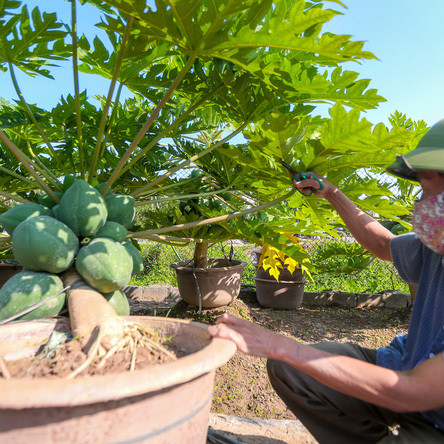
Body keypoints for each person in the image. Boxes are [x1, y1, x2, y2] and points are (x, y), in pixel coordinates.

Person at [207, 119, 444, 443]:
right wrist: (331, 192)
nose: (421, 202)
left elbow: (413, 392)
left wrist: (280, 344)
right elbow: (382, 245)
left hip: (429, 409)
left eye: (428, 187)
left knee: (289, 356)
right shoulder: (436, 245)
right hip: (407, 364)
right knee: (291, 370)